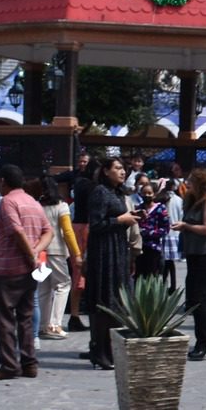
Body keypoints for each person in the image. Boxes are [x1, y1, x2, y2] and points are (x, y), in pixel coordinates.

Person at [0, 164, 52, 381]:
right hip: (30, 270)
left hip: (9, 267)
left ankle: (9, 365)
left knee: (4, 319)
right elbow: (48, 231)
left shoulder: (8, 202)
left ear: (3, 181)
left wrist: (30, 253)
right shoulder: (32, 202)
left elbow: (16, 231)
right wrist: (36, 251)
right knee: (25, 316)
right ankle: (29, 363)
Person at [79, 157, 139, 371]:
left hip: (118, 250)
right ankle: (99, 351)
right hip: (103, 253)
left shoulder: (117, 193)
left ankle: (111, 350)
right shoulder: (99, 192)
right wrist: (120, 221)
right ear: (106, 171)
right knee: (104, 300)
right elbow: (95, 224)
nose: (122, 172)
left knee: (116, 302)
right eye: (117, 168)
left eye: (123, 168)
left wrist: (129, 218)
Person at [175, 167, 206, 360]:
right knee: (193, 299)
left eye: (191, 181)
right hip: (194, 253)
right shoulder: (192, 200)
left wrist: (186, 226)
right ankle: (201, 340)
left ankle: (204, 343)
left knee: (199, 299)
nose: (187, 184)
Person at [38, 176, 81, 340]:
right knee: (63, 285)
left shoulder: (38, 206)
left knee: (43, 288)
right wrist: (76, 253)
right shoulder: (62, 206)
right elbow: (68, 232)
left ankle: (43, 325)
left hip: (41, 252)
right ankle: (55, 324)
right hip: (56, 251)